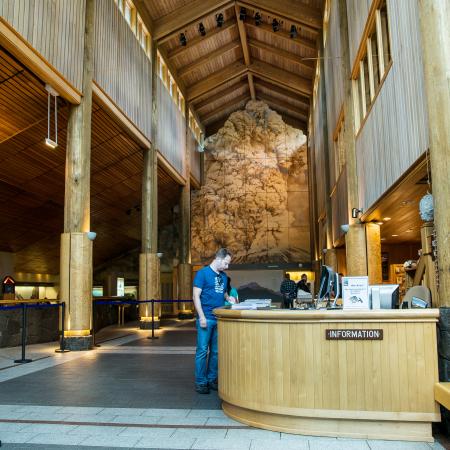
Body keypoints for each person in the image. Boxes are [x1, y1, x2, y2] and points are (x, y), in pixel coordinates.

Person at [193, 248, 235, 394]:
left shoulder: (223, 276)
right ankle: (200, 382)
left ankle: (211, 379)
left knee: (216, 352)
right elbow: (196, 296)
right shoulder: (202, 273)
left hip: (219, 319)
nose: (227, 266)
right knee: (202, 351)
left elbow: (223, 293)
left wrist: (229, 298)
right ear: (218, 258)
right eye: (226, 263)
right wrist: (202, 316)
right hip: (206, 319)